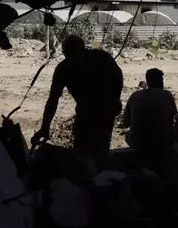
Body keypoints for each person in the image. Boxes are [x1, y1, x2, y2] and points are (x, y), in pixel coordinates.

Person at [32, 35, 123, 169]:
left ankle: (101, 178)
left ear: (83, 50)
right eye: (70, 56)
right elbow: (53, 99)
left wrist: (116, 98)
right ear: (64, 54)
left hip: (104, 111)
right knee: (81, 152)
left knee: (101, 150)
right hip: (84, 112)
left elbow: (118, 77)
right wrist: (45, 127)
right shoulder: (62, 70)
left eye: (76, 55)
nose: (74, 60)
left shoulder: (101, 58)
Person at [122, 68, 178, 173]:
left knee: (128, 136)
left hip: (138, 142)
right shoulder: (167, 95)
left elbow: (125, 122)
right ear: (161, 81)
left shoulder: (135, 95)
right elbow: (172, 118)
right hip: (161, 142)